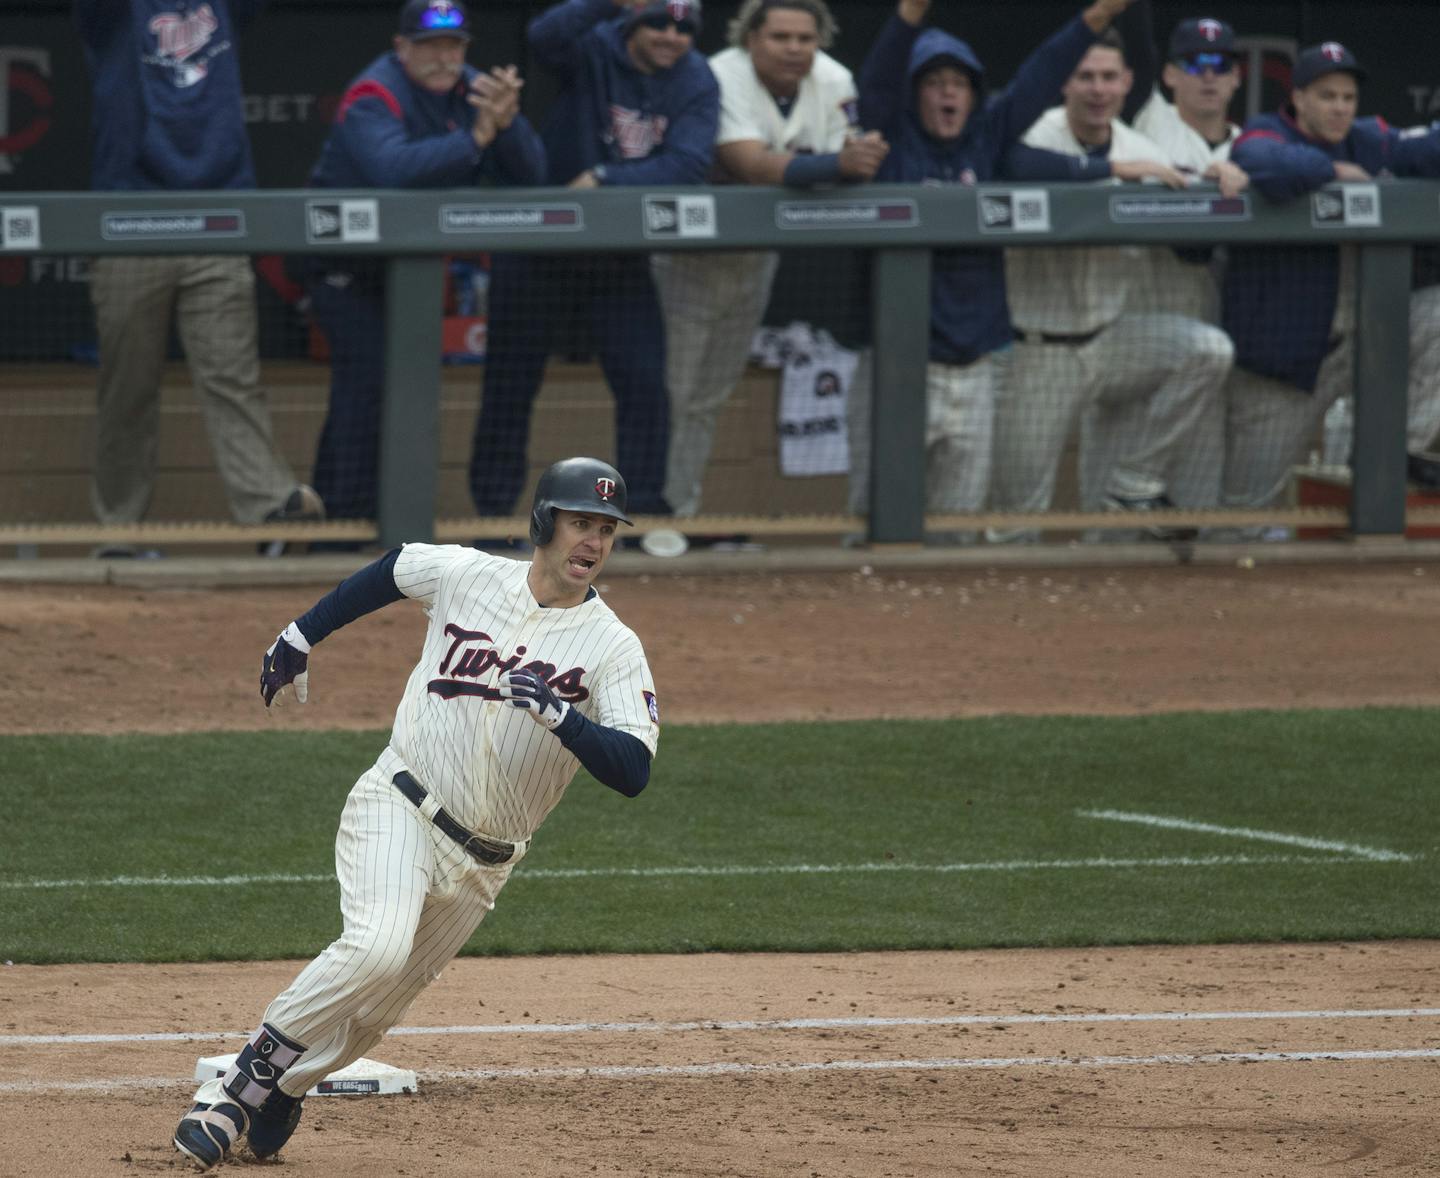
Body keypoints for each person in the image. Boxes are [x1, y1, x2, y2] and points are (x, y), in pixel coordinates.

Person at [170, 456, 659, 1171]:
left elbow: (634, 772)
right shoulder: (469, 576)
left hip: (486, 864)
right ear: (544, 523)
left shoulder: (613, 649)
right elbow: (395, 568)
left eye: (607, 531)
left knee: (374, 1015)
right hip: (401, 804)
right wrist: (302, 637)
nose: (592, 541)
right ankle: (238, 1089)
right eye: (581, 523)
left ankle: (288, 1086)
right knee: (375, 947)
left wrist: (564, 718)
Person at [851, 0, 1145, 540]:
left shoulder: (987, 139)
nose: (947, 94)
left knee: (957, 529)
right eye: (934, 82)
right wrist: (909, 15)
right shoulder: (891, 142)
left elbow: (1043, 70)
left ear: (974, 93)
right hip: (897, 367)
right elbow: (879, 78)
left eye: (959, 84)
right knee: (877, 522)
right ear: (914, 92)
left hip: (976, 366)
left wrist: (1098, 16)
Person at [74, 0, 325, 557]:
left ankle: (269, 511)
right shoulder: (115, 16)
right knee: (127, 390)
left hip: (217, 218)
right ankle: (118, 532)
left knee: (232, 377)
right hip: (129, 222)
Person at [470, 0, 720, 531]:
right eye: (657, 21)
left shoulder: (696, 77)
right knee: (509, 387)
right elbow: (543, 36)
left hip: (616, 255)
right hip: (540, 244)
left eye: (683, 28)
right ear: (633, 22)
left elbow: (688, 163)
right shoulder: (596, 46)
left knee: (645, 384)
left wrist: (606, 179)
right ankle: (491, 515)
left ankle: (646, 511)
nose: (670, 36)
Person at [302, 0, 546, 535]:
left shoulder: (475, 88)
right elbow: (393, 171)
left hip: (411, 270)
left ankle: (379, 522)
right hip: (350, 267)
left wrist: (507, 124)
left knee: (401, 396)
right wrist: (477, 138)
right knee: (363, 390)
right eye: (430, 46)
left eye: (454, 46)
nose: (443, 58)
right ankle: (339, 525)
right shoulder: (375, 91)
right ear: (402, 47)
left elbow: (533, 172)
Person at [650, 0, 887, 529]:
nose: (794, 49)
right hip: (690, 259)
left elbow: (847, 169)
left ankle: (677, 512)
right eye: (780, 37)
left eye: (805, 38)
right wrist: (832, 164)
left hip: (757, 258)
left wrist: (836, 165)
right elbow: (748, 162)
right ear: (750, 37)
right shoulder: (719, 72)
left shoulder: (834, 78)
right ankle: (646, 511)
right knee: (671, 392)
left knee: (709, 396)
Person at [991, 29, 1234, 540]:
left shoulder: (1143, 146)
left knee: (1207, 350)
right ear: (1064, 83)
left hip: (1114, 340)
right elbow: (1010, 166)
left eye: (1108, 77)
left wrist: (1228, 176)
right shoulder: (1034, 134)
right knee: (1018, 520)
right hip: (1039, 350)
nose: (1098, 89)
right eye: (1085, 77)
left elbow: (1193, 239)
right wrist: (1113, 172)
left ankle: (1137, 476)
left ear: (1127, 83)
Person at [1220, 43, 1440, 520]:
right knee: (1245, 513)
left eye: (1347, 97)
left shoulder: (1366, 138)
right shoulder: (1267, 129)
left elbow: (1424, 150)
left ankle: (1395, 452)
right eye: (1326, 96)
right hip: (1284, 363)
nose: (1339, 107)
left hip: (1359, 344)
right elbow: (1262, 161)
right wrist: (1333, 170)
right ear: (1298, 98)